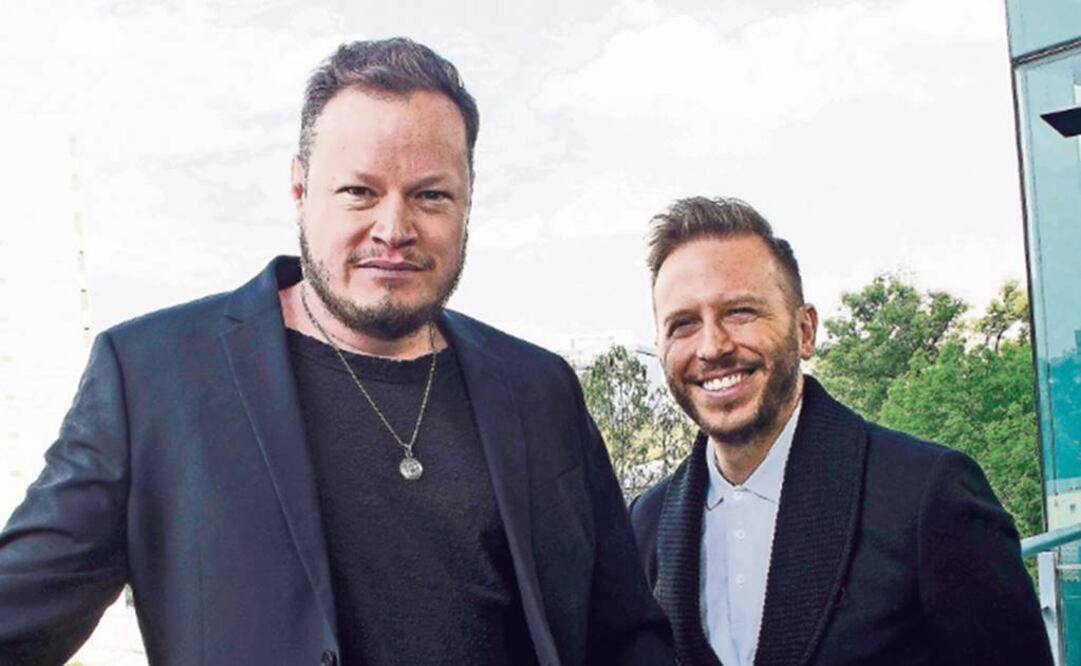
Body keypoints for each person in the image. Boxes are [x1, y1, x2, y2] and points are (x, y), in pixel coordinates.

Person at [0, 38, 673, 666]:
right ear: (300, 188)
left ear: (467, 202)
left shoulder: (538, 387)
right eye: (360, 191)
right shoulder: (153, 377)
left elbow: (622, 635)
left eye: (430, 195)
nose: (394, 228)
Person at [629, 196, 1052, 666]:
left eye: (740, 312)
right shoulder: (644, 526)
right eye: (684, 324)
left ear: (805, 330)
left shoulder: (929, 497)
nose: (712, 346)